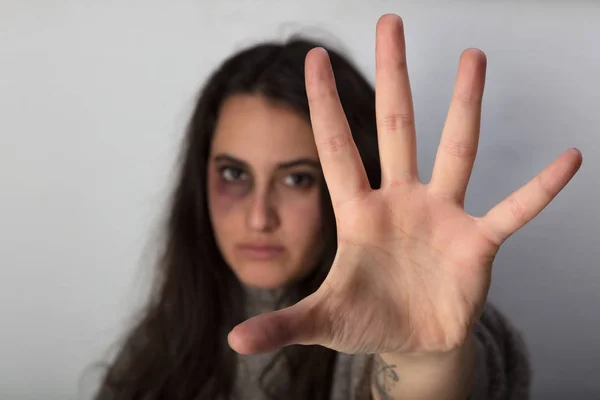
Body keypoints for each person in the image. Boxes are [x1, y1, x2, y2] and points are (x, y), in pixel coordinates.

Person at [94, 14, 582, 400]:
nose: (259, 216)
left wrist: (424, 359)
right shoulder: (163, 339)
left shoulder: (374, 318)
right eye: (234, 174)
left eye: (297, 178)